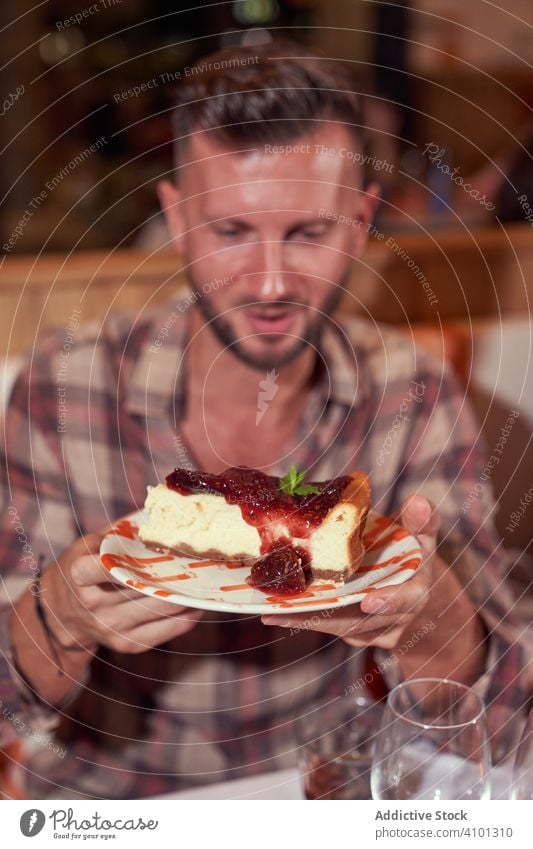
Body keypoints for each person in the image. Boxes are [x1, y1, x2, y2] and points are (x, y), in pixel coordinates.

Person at [0, 41, 529, 800]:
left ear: (360, 220)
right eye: (232, 231)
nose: (272, 282)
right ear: (177, 218)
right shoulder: (64, 386)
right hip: (114, 806)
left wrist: (435, 618)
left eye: (308, 232)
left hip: (320, 795)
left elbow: (505, 718)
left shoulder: (410, 395)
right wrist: (60, 615)